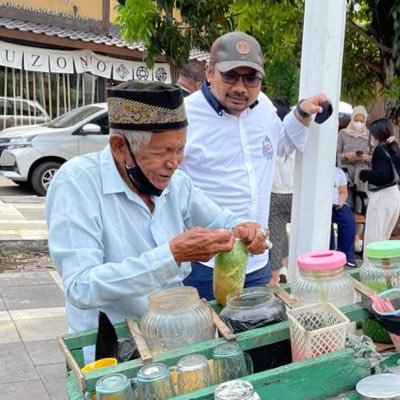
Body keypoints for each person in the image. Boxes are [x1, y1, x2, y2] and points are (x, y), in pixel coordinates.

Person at [45, 81, 267, 360]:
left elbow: (224, 220)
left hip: (174, 338)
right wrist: (171, 255)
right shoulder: (77, 183)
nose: (175, 163)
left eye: (180, 149)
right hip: (114, 351)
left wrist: (247, 230)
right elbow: (81, 286)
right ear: (119, 147)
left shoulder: (178, 183)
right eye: (161, 153)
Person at [180, 31, 330, 299]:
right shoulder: (185, 115)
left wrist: (301, 113)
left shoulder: (264, 109)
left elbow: (280, 146)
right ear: (209, 71)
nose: (241, 87)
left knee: (255, 335)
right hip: (207, 262)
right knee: (209, 336)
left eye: (251, 78)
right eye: (230, 75)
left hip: (256, 259)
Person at [359, 117, 400, 254]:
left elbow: (382, 176)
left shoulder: (379, 150)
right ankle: (382, 273)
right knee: (383, 241)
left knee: (373, 241)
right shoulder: (395, 149)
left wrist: (364, 174)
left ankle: (370, 273)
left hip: (382, 197)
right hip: (394, 196)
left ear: (377, 134)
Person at [336, 105, 371, 252]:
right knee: (346, 204)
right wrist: (346, 156)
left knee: (360, 206)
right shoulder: (343, 134)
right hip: (346, 174)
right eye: (356, 119)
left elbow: (375, 157)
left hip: (362, 175)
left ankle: (357, 237)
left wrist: (366, 157)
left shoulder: (369, 135)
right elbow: (335, 154)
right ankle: (345, 238)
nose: (358, 123)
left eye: (361, 120)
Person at [269, 99, 294, 283]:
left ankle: (274, 279)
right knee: (284, 234)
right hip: (297, 194)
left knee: (275, 238)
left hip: (275, 193)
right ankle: (286, 267)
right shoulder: (295, 136)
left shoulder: (270, 137)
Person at [330, 166, 357, 266]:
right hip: (321, 205)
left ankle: (347, 256)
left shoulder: (339, 172)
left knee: (348, 221)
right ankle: (329, 254)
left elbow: (343, 191)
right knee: (327, 226)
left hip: (337, 204)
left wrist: (340, 202)